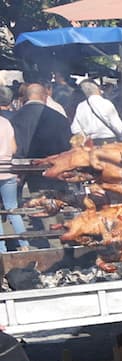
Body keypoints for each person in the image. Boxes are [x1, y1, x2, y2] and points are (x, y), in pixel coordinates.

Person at [11, 83, 70, 193]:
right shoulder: (59, 118)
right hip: (49, 166)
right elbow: (66, 145)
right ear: (44, 96)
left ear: (26, 97)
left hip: (20, 167)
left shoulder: (14, 118)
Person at [0, 88, 26, 251]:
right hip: (8, 171)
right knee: (12, 208)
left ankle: (1, 248)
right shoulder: (6, 122)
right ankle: (24, 245)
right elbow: (14, 148)